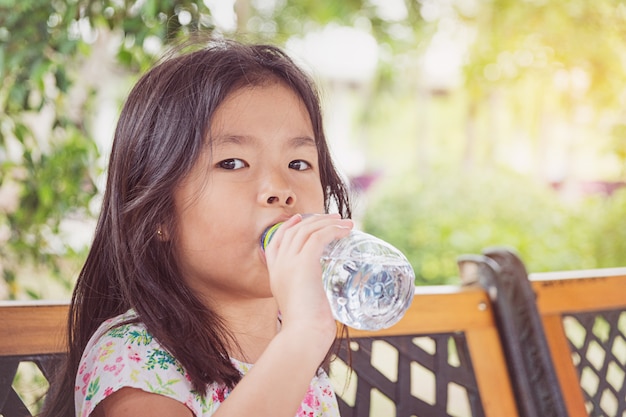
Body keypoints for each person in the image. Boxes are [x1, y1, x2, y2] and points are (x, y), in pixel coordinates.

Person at [41, 38, 354, 417]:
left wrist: (300, 335)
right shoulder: (132, 356)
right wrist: (303, 337)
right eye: (233, 163)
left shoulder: (291, 335)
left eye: (299, 163)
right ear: (157, 214)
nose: (281, 191)